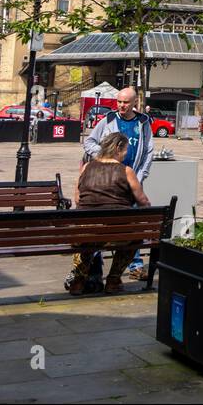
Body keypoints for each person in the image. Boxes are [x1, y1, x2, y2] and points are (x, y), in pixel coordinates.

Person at [81, 87, 154, 277]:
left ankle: (135, 265)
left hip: (133, 179)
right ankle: (98, 269)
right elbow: (89, 142)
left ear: (134, 103)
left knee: (132, 224)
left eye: (126, 102)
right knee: (104, 225)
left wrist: (140, 176)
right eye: (119, 102)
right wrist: (105, 158)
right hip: (110, 181)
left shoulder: (143, 122)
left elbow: (148, 151)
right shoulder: (109, 120)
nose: (121, 105)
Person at [68, 132, 151, 294]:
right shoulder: (126, 171)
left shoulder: (86, 167)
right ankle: (113, 280)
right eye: (126, 149)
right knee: (134, 238)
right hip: (116, 235)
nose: (126, 153)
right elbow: (143, 202)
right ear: (118, 148)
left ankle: (78, 281)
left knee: (85, 238)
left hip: (84, 233)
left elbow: (78, 199)